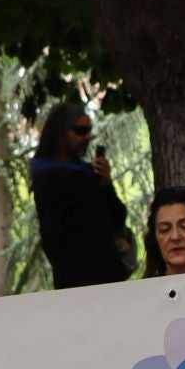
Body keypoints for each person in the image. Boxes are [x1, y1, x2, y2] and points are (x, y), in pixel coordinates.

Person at [31, 101, 133, 288]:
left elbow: (118, 218)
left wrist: (106, 183)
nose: (87, 137)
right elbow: (53, 238)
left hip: (110, 280)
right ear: (60, 133)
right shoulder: (48, 178)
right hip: (78, 284)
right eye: (80, 131)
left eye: (89, 131)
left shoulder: (88, 173)